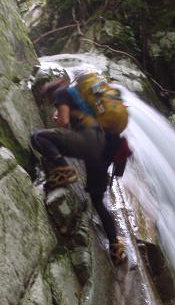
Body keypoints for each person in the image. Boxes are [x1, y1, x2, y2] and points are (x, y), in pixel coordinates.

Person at [30, 77, 127, 266]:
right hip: (104, 151)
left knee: (38, 137)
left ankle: (63, 169)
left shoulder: (61, 94)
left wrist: (58, 119)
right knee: (97, 201)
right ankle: (115, 247)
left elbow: (64, 122)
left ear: (52, 91)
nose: (51, 103)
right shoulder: (84, 98)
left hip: (89, 141)